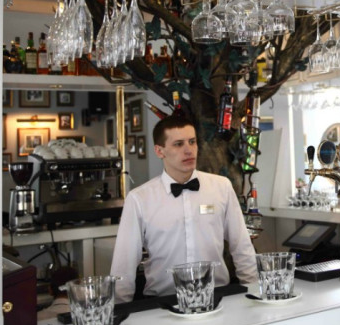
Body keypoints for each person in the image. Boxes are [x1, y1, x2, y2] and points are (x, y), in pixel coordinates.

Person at [110, 114, 257, 302]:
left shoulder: (221, 187)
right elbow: (124, 262)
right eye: (178, 144)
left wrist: (254, 292)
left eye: (192, 142)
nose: (189, 150)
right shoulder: (139, 199)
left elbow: (241, 245)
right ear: (159, 151)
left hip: (218, 297)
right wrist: (121, 309)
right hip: (162, 302)